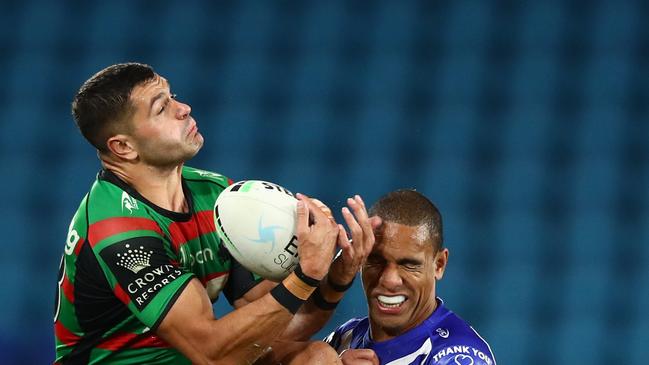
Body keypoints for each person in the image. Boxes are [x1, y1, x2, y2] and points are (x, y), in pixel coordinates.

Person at [53, 62, 377, 364]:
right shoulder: (117, 229)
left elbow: (272, 328)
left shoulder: (217, 196)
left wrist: (337, 272)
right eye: (161, 108)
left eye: (173, 97)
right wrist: (306, 275)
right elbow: (212, 354)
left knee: (317, 357)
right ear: (123, 147)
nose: (183, 109)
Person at [324, 190, 497, 365]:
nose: (389, 280)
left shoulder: (458, 356)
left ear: (439, 264)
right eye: (376, 261)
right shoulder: (347, 336)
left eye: (409, 265)